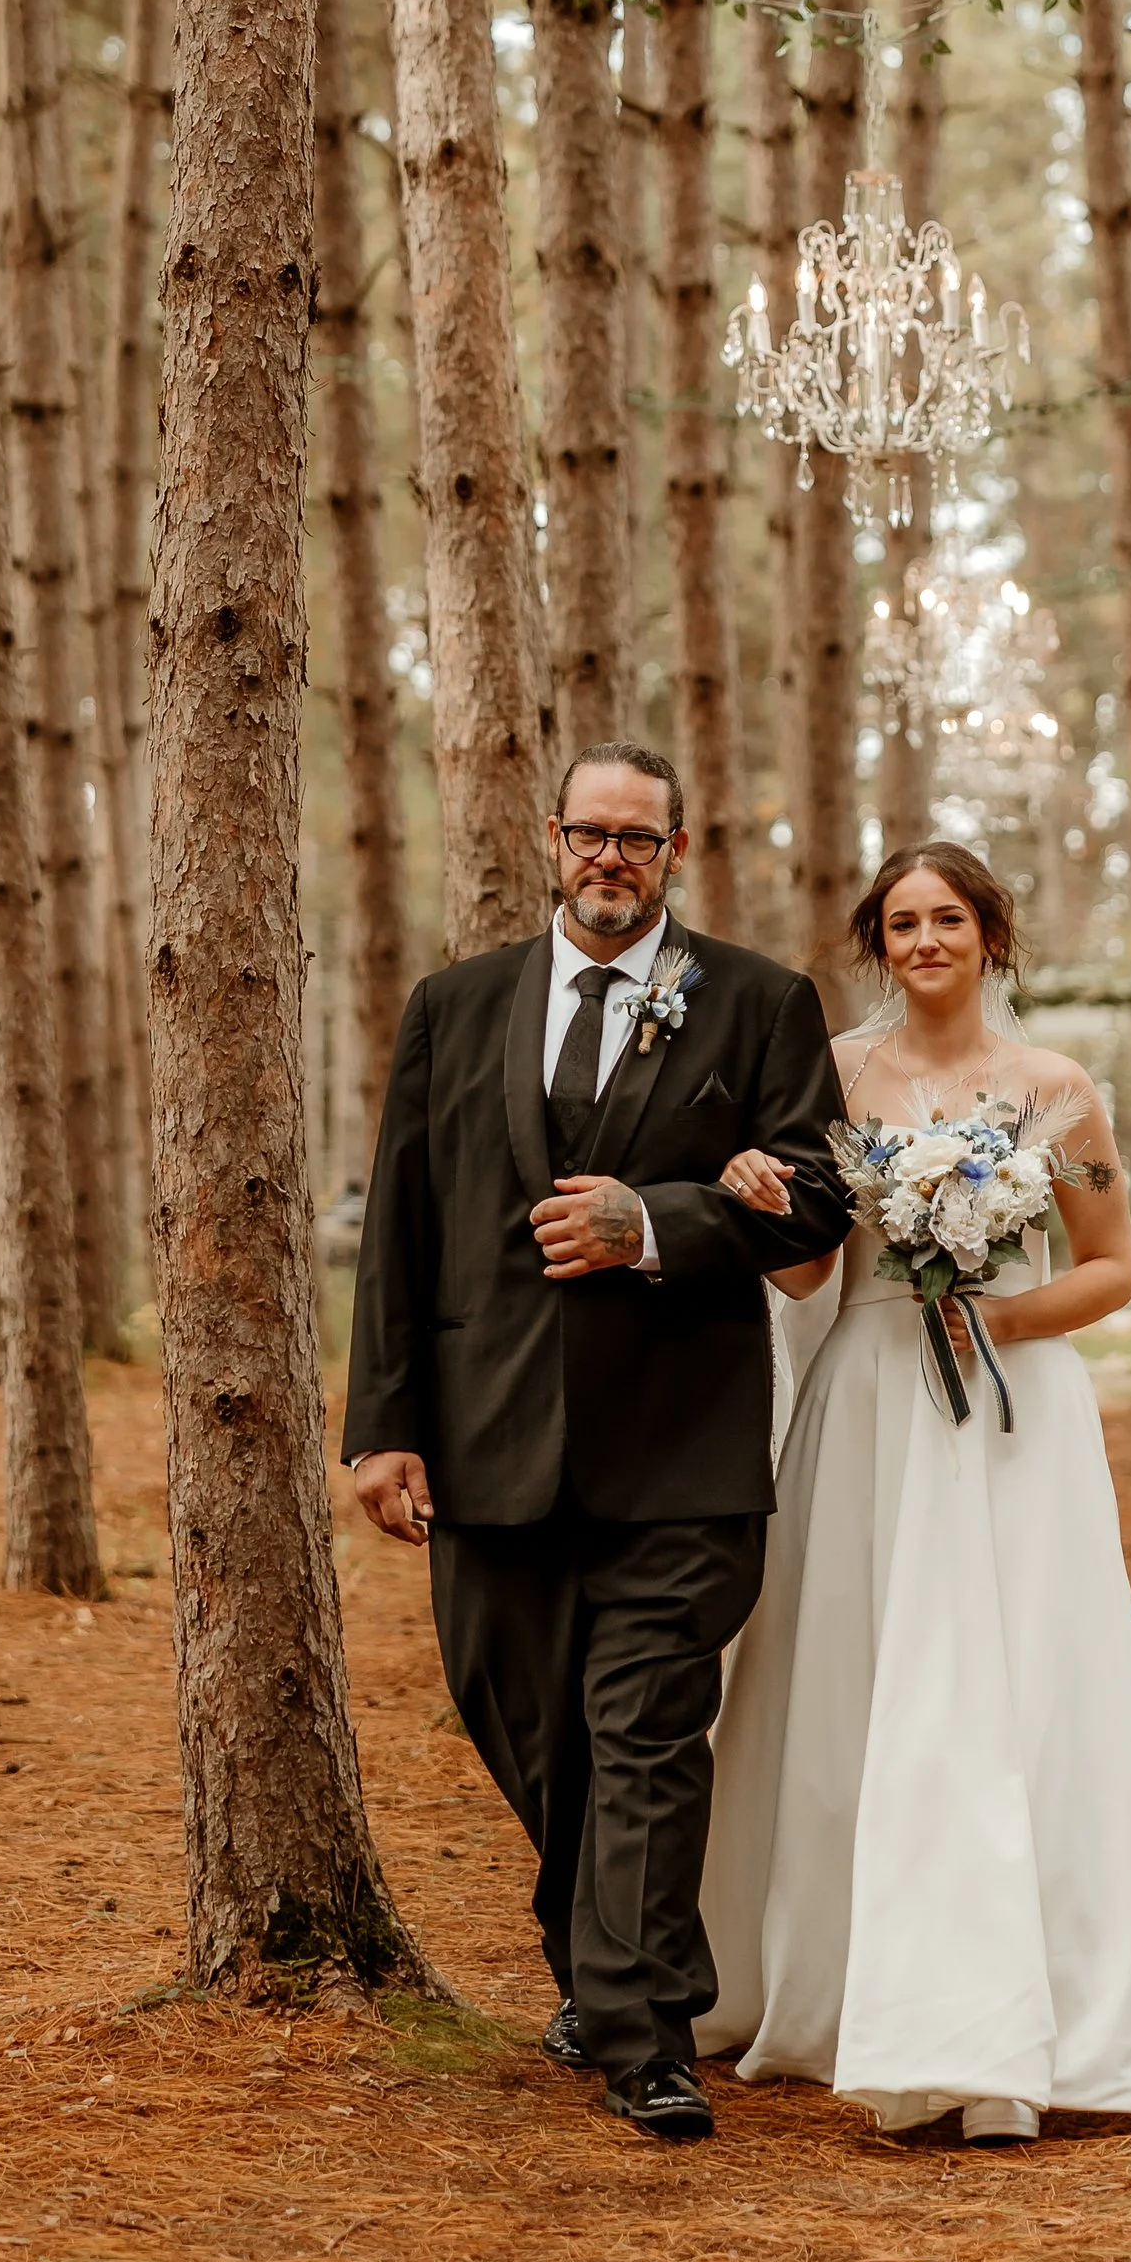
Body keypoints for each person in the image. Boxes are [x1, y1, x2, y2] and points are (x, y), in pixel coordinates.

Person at [696, 839, 1131, 2142]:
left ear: (990, 935)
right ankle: (850, 1981)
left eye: (945, 916)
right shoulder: (836, 1071)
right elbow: (806, 1276)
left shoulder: (1057, 1088)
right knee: (853, 1673)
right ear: (877, 941)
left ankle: (1040, 1988)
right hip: (871, 1405)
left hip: (1015, 1413)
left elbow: (1113, 1264)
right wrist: (756, 1202)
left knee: (1015, 1680)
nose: (922, 940)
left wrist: (998, 1323)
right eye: (899, 921)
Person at [341, 743, 850, 2145]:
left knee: (642, 1736)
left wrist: (660, 1224)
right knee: (523, 1720)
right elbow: (401, 1226)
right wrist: (382, 1426)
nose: (610, 856)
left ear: (676, 849)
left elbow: (816, 1201)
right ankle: (617, 1949)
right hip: (487, 1441)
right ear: (552, 839)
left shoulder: (757, 1003)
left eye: (639, 836)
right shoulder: (453, 1008)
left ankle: (640, 2034)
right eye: (589, 833)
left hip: (679, 1447)